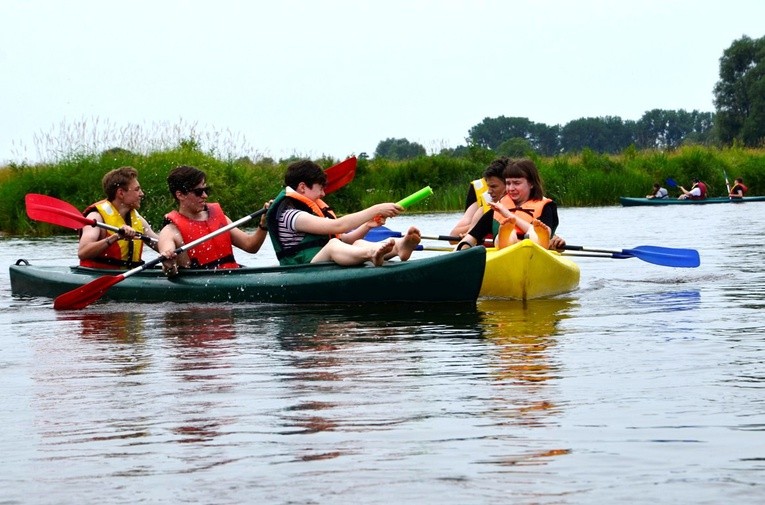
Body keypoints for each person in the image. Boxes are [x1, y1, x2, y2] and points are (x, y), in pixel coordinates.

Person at [266, 159, 421, 267]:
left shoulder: (306, 210)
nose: (323, 194)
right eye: (320, 188)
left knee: (356, 243)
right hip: (300, 268)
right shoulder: (291, 216)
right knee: (333, 245)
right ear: (302, 187)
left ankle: (399, 247)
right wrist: (377, 209)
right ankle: (372, 254)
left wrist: (367, 226)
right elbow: (339, 226)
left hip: (319, 259)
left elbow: (345, 239)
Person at [158, 165, 270, 274]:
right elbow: (169, 271)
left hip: (231, 280)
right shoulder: (169, 232)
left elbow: (251, 246)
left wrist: (264, 224)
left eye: (206, 190)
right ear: (180, 195)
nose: (205, 195)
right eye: (198, 192)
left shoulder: (220, 218)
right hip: (200, 288)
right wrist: (170, 265)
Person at [455, 158, 566, 251]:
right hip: (505, 251)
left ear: (531, 183)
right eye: (508, 183)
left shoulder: (546, 207)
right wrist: (462, 250)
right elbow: (471, 238)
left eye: (517, 183)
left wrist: (508, 215)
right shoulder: (497, 209)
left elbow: (548, 232)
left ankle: (522, 240)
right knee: (507, 235)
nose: (511, 188)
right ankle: (507, 238)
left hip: (535, 248)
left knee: (534, 235)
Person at [78, 166, 159, 268]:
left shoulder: (138, 220)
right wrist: (116, 237)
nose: (141, 194)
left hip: (130, 277)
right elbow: (83, 252)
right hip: (99, 276)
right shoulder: (96, 217)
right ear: (121, 193)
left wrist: (170, 248)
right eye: (137, 190)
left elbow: (159, 244)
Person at [449, 158, 509, 239]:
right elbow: (453, 237)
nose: (489, 192)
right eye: (489, 186)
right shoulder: (482, 210)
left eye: (494, 186)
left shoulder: (526, 203)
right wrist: (479, 226)